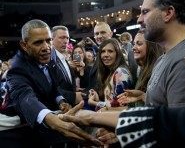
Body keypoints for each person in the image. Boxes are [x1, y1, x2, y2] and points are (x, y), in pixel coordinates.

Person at [5, 19, 101, 147]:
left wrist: (61, 101)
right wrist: (50, 119)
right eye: (38, 42)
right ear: (24, 45)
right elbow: (25, 98)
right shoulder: (17, 69)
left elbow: (53, 89)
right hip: (15, 132)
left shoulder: (49, 61)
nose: (46, 47)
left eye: (48, 40)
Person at [119, 0, 185, 107]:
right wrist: (145, 96)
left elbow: (180, 121)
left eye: (145, 12)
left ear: (168, 13)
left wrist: (93, 117)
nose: (139, 20)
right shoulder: (163, 58)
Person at [118, 30, 163, 106]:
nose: (133, 48)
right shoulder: (143, 69)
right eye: (134, 44)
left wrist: (143, 96)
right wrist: (140, 94)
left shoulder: (158, 71)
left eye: (139, 44)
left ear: (151, 46)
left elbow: (160, 106)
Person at [88, 38, 133, 110]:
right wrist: (97, 99)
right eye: (103, 51)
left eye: (110, 51)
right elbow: (110, 102)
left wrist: (94, 102)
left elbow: (120, 106)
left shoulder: (120, 72)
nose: (106, 55)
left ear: (117, 53)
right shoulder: (111, 72)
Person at [51, 25, 85, 106]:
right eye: (62, 37)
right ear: (52, 39)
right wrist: (73, 96)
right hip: (59, 108)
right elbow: (51, 90)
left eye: (67, 38)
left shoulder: (64, 59)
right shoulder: (50, 60)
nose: (66, 41)